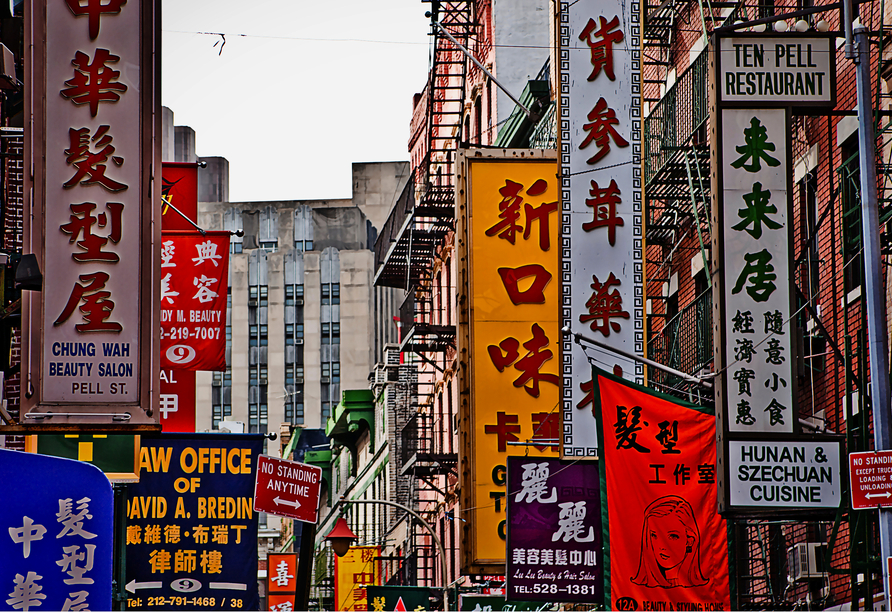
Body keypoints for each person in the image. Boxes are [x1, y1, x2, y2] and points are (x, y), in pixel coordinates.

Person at [630, 495, 709, 588]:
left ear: (690, 540)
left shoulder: (703, 591)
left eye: (673, 536)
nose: (662, 545)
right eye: (654, 535)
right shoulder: (639, 590)